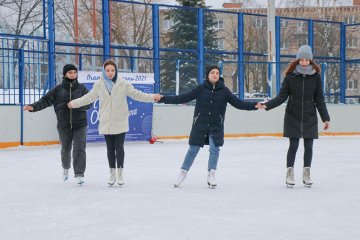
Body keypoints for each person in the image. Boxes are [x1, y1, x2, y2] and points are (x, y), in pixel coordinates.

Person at [159, 65, 260, 188]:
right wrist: (163, 99)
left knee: (215, 149)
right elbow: (182, 98)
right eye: (212, 72)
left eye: (217, 73)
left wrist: (255, 105)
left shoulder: (224, 91)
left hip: (216, 125)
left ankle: (211, 174)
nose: (215, 75)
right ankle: (182, 173)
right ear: (208, 75)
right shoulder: (201, 89)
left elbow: (238, 103)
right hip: (199, 124)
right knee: (192, 150)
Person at [68, 59, 162, 186]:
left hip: (120, 121)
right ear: (104, 71)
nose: (110, 73)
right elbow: (88, 98)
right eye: (107, 70)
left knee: (119, 148)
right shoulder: (99, 85)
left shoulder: (123, 84)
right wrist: (74, 103)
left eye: (112, 70)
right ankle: (112, 173)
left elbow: (137, 94)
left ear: (116, 70)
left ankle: (120, 173)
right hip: (106, 122)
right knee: (110, 149)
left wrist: (152, 97)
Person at [256, 45, 330, 187]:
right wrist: (267, 105)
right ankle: (290, 173)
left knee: (309, 147)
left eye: (306, 60)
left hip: (309, 116)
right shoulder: (290, 77)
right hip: (293, 116)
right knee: (293, 146)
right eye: (301, 59)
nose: (303, 62)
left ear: (310, 61)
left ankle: (306, 173)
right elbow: (281, 97)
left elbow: (319, 99)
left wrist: (325, 118)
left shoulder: (315, 77)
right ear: (297, 60)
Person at [24, 64, 90, 184]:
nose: (73, 75)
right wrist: (33, 107)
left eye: (75, 72)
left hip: (80, 124)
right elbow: (45, 101)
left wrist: (78, 104)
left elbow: (89, 102)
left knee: (79, 148)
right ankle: (65, 167)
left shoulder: (82, 89)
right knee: (66, 149)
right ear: (65, 74)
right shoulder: (58, 90)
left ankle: (79, 173)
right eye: (70, 72)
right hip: (64, 125)